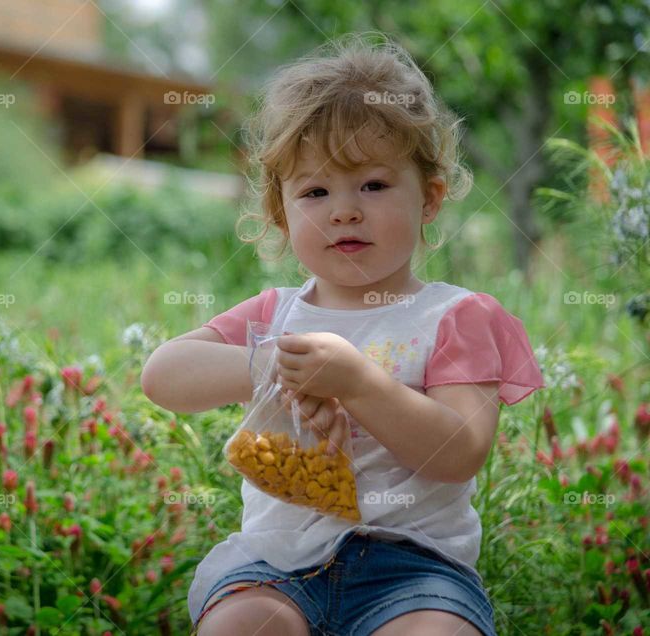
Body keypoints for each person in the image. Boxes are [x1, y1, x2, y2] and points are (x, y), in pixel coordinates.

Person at [139, 32, 546, 636]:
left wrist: (357, 380)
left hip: (414, 569)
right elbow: (162, 375)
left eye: (374, 185)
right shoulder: (274, 315)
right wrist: (270, 364)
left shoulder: (457, 317)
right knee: (240, 627)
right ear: (282, 213)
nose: (343, 210)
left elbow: (460, 452)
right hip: (276, 565)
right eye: (315, 191)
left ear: (429, 198)